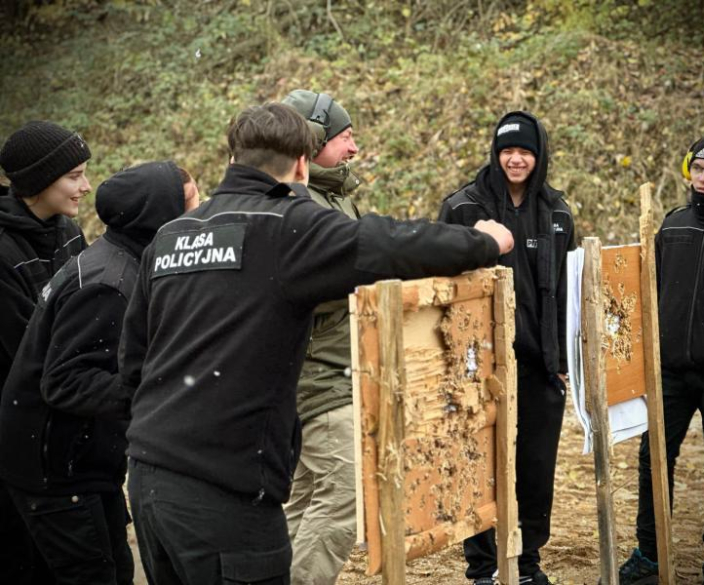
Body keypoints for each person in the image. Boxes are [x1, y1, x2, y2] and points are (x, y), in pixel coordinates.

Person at [121, 102, 513, 585]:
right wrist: (485, 242)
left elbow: (133, 361)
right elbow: (391, 244)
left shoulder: (170, 236)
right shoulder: (286, 226)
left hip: (148, 476)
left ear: (232, 159)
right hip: (226, 489)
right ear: (303, 165)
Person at [0, 160, 199, 584]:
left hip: (82, 461)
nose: (201, 215)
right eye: (192, 204)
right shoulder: (108, 284)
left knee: (114, 567)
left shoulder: (122, 258)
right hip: (56, 467)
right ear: (158, 215)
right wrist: (159, 390)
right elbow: (64, 381)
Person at [439, 111, 576, 585]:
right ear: (495, 154)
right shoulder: (462, 208)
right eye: (507, 151)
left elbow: (567, 292)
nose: (516, 159)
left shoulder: (558, 213)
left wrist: (562, 362)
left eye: (525, 151)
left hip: (540, 368)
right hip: (480, 366)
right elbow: (442, 291)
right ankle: (482, 569)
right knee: (479, 467)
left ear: (538, 156)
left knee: (534, 471)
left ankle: (527, 562)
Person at [617, 133, 704, 585]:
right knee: (653, 458)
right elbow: (650, 292)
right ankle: (650, 551)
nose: (703, 178)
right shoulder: (673, 224)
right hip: (670, 370)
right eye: (697, 170)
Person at [0, 120, 92, 584]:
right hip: (20, 440)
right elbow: (26, 351)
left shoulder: (69, 235)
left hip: (70, 434)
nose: (86, 186)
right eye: (74, 175)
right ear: (38, 181)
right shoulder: (3, 251)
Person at [280, 89, 361, 584]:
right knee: (342, 500)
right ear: (313, 140)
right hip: (318, 377)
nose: (354, 148)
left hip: (336, 371)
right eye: (345, 137)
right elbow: (307, 287)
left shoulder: (332, 194)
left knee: (308, 498)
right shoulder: (299, 199)